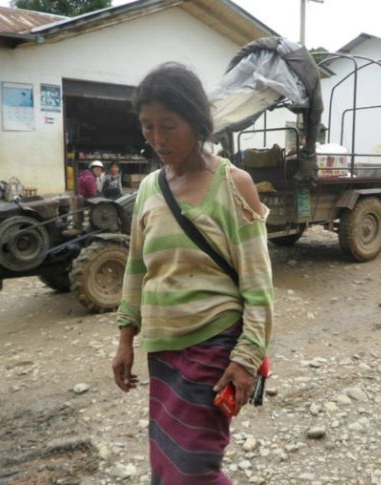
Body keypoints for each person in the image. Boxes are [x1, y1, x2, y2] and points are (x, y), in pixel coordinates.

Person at [112, 62, 274, 484]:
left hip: (213, 347)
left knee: (193, 467)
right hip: (163, 349)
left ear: (197, 121)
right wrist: (125, 338)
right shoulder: (149, 188)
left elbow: (259, 287)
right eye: (148, 126)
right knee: (165, 459)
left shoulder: (233, 185)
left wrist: (246, 359)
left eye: (169, 125)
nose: (158, 139)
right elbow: (136, 266)